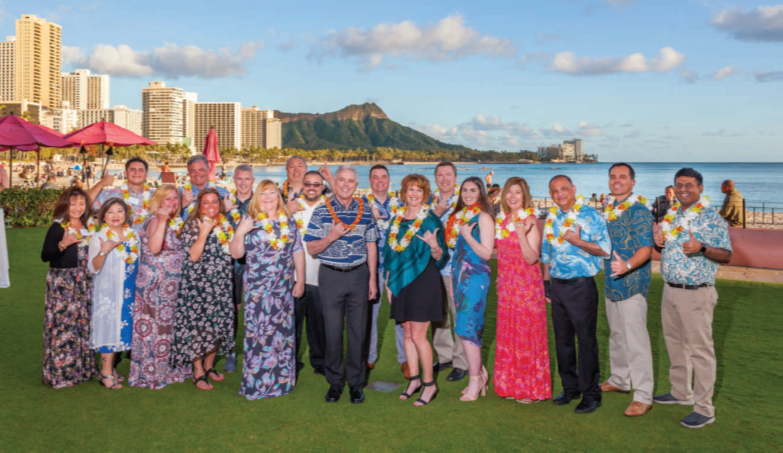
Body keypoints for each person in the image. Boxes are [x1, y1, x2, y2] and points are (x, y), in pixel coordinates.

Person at [653, 168, 733, 429]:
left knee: (701, 351)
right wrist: (658, 243)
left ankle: (704, 408)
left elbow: (727, 255)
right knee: (675, 344)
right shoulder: (674, 215)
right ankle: (680, 392)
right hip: (670, 289)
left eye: (689, 184)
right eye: (679, 184)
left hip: (697, 291)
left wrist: (702, 248)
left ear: (699, 188)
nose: (683, 188)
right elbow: (670, 247)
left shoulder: (711, 218)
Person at [304, 165, 378, 404]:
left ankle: (356, 384)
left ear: (356, 186)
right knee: (332, 332)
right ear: (335, 182)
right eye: (342, 180)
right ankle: (335, 383)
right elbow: (311, 248)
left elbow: (371, 245)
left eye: (350, 181)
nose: (346, 184)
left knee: (358, 332)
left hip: (359, 275)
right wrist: (331, 236)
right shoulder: (321, 211)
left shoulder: (365, 210)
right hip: (331, 275)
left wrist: (373, 278)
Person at [542, 175, 611, 414]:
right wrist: (546, 283)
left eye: (563, 188)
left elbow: (605, 250)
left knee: (586, 341)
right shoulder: (551, 218)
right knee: (562, 342)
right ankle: (570, 387)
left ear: (573, 189)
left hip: (581, 286)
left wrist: (578, 241)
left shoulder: (591, 216)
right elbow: (547, 254)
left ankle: (591, 393)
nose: (559, 193)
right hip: (558, 286)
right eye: (554, 190)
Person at [231, 180, 305, 399]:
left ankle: (281, 382)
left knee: (281, 336)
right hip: (258, 290)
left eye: (272, 193)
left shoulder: (288, 222)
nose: (268, 197)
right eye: (263, 193)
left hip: (282, 288)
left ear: (278, 196)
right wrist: (240, 233)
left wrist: (300, 280)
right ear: (257, 197)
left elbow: (297, 250)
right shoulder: (249, 220)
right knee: (259, 335)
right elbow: (236, 254)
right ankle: (257, 383)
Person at [383, 174, 448, 406]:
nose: (414, 194)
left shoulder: (430, 220)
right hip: (401, 283)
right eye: (410, 189)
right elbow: (390, 254)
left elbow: (441, 257)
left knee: (419, 336)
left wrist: (434, 247)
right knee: (408, 334)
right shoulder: (396, 220)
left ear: (425, 194)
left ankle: (430, 385)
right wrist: (389, 284)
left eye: (419, 190)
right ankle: (414, 379)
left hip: (424, 281)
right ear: (404, 192)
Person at [600, 164, 655, 417]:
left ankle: (643, 395)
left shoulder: (640, 212)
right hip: (612, 283)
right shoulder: (610, 210)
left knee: (636, 342)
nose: (617, 181)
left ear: (633, 182)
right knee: (617, 334)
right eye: (613, 177)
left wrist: (628, 265)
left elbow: (647, 249)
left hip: (632, 283)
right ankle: (620, 379)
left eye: (623, 177)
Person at [170, 188, 235, 391]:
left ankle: (208, 367)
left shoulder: (225, 224)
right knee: (199, 328)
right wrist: (204, 233)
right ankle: (197, 371)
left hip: (221, 282)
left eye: (215, 202)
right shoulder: (193, 224)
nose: (211, 206)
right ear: (199, 205)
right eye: (205, 202)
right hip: (198, 285)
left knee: (216, 325)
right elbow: (193, 256)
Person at [493, 177, 551, 403]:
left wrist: (520, 234)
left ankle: (529, 389)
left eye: (517, 192)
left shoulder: (530, 220)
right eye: (509, 192)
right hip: (507, 286)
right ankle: (510, 384)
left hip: (526, 287)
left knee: (526, 335)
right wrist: (500, 278)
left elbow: (531, 258)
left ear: (524, 195)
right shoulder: (503, 219)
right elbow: (502, 254)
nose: (512, 196)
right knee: (510, 334)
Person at [128, 184, 192, 389]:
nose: (172, 202)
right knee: (153, 328)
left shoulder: (172, 219)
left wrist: (179, 209)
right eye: (168, 199)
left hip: (170, 284)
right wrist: (164, 220)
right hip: (155, 283)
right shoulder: (157, 219)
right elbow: (154, 248)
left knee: (165, 327)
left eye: (175, 198)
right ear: (158, 201)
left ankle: (164, 366)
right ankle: (151, 372)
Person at [40, 187, 97, 388]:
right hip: (63, 283)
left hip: (84, 282)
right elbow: (45, 255)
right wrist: (63, 245)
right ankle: (61, 373)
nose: (78, 208)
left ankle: (82, 370)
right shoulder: (58, 227)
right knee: (63, 328)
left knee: (82, 326)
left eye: (82, 203)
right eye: (73, 203)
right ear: (65, 204)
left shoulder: (89, 226)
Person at [446, 177, 495, 401]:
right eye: (464, 190)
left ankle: (475, 379)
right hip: (458, 277)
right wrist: (451, 282)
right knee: (465, 327)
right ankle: (479, 375)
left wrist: (466, 235)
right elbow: (454, 253)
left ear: (480, 193)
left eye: (472, 190)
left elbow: (486, 253)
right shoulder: (459, 217)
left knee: (467, 326)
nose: (467, 194)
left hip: (475, 278)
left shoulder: (483, 217)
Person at [88, 198, 140, 390]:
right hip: (109, 291)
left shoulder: (132, 236)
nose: (115, 215)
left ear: (126, 214)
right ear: (103, 216)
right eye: (110, 212)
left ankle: (112, 368)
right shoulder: (100, 237)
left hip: (128, 291)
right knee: (108, 329)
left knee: (122, 330)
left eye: (119, 211)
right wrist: (103, 252)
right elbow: (93, 268)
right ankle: (105, 372)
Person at [362, 165, 408, 376]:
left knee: (400, 313)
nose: (379, 180)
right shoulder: (360, 205)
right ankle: (368, 357)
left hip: (396, 268)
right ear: (369, 181)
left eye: (383, 177)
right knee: (369, 314)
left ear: (389, 180)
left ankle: (406, 358)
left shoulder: (401, 205)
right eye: (375, 177)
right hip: (369, 268)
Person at [427, 162, 469, 382]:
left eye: (448, 175)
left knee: (459, 314)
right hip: (434, 268)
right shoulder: (430, 201)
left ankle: (461, 361)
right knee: (438, 315)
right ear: (435, 178)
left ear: (455, 177)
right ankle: (444, 356)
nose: (444, 179)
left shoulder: (465, 201)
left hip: (457, 266)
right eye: (440, 175)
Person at [292, 171, 328, 376]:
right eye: (308, 184)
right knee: (293, 322)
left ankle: (320, 360)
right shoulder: (292, 207)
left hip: (320, 274)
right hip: (295, 275)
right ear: (302, 186)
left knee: (319, 323)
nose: (312, 187)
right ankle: (291, 360)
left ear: (322, 187)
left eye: (316, 184)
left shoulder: (329, 208)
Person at [223, 164, 256, 373]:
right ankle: (231, 352)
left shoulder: (261, 202)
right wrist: (226, 213)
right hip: (230, 264)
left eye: (247, 179)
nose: (243, 183)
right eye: (239, 179)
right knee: (232, 310)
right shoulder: (225, 203)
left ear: (253, 181)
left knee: (254, 309)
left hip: (255, 265)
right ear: (234, 180)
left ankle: (254, 353)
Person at [89, 157, 156, 231]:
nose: (136, 172)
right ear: (125, 174)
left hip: (149, 241)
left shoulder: (156, 196)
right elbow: (85, 203)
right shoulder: (111, 194)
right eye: (132, 169)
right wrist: (100, 184)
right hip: (117, 241)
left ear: (146, 175)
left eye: (141, 170)